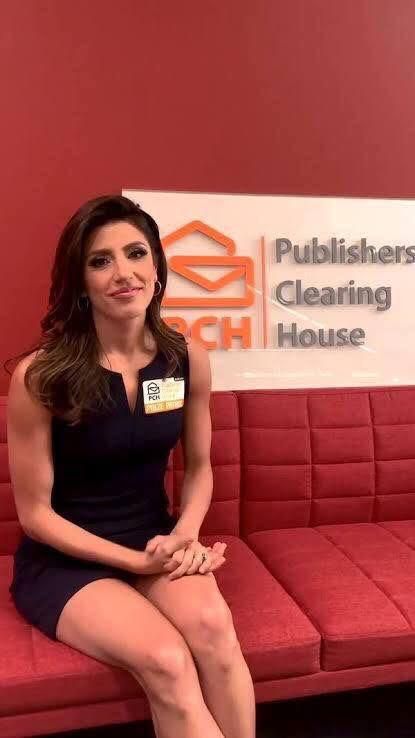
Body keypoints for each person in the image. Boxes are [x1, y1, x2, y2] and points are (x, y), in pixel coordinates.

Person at [5, 194, 256, 738]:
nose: (124, 273)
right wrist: (135, 563)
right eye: (101, 260)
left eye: (136, 253)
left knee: (214, 630)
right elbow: (35, 516)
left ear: (158, 268)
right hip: (65, 561)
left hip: (153, 540)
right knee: (167, 661)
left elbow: (200, 467)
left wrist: (185, 535)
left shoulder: (186, 359)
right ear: (80, 281)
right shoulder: (40, 377)